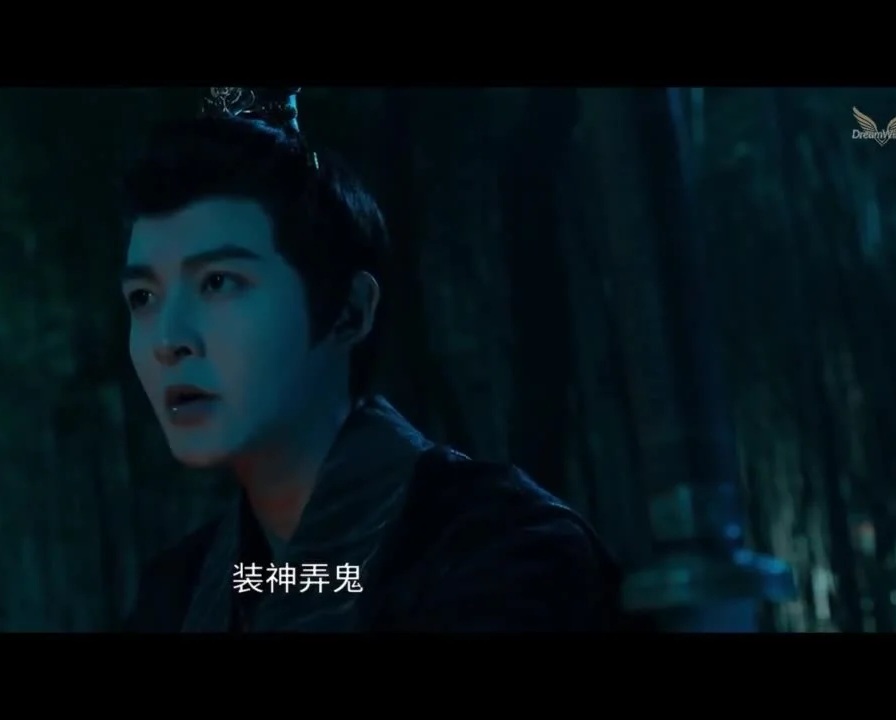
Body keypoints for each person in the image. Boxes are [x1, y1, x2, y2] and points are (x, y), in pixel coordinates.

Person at [119, 87, 622, 632]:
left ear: (350, 310)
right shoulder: (178, 591)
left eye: (219, 282)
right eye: (143, 297)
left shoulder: (503, 550)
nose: (168, 339)